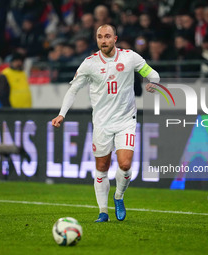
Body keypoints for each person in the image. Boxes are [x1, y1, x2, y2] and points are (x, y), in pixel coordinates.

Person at [51, 24, 159, 222]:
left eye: (107, 36)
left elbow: (153, 74)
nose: (103, 40)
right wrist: (61, 114)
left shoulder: (130, 57)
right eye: (100, 36)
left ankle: (118, 196)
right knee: (102, 167)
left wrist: (153, 83)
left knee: (125, 164)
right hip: (101, 123)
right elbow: (73, 89)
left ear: (115, 38)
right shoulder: (89, 63)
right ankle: (103, 211)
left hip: (126, 120)